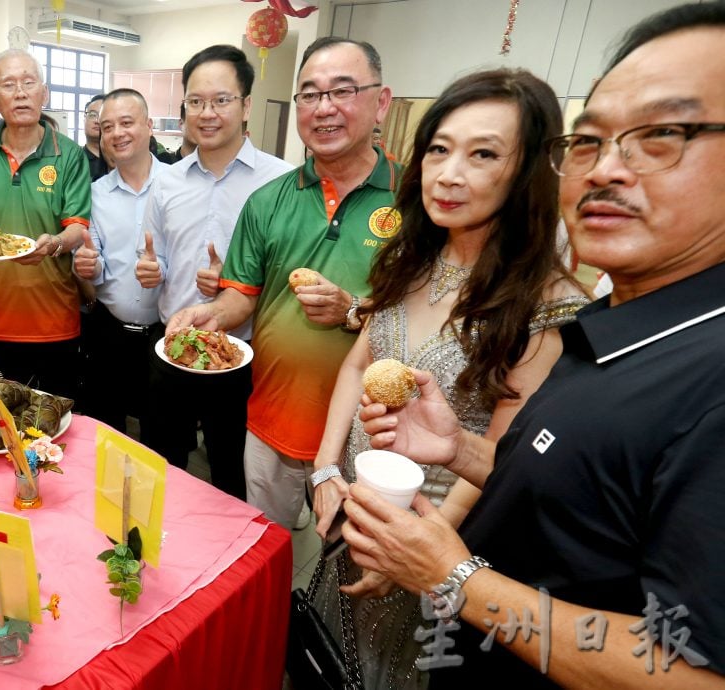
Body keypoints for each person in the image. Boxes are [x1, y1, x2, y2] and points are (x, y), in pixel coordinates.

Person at [347, 4, 725, 686]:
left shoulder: (704, 375)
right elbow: (578, 502)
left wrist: (452, 576)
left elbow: (692, 670)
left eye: (663, 134)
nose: (606, 169)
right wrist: (458, 449)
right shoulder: (618, 323)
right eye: (591, 140)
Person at [305, 68, 589, 689]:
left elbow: (504, 460)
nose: (449, 174)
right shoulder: (410, 258)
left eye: (483, 154)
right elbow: (358, 364)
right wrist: (325, 470)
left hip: (436, 530)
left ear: (527, 171)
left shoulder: (544, 304)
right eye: (439, 149)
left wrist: (413, 548)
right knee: (326, 654)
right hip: (356, 498)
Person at [165, 37, 392, 523]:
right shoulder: (268, 200)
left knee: (356, 553)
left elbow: (435, 313)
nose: (324, 108)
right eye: (309, 94)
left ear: (381, 102)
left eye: (342, 91)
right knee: (268, 543)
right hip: (272, 416)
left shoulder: (416, 200)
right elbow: (240, 295)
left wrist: (353, 310)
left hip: (374, 429)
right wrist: (210, 314)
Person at [137, 45, 292, 500]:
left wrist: (236, 284)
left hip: (242, 355)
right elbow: (159, 255)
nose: (207, 113)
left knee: (232, 475)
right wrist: (153, 269)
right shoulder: (167, 180)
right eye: (196, 101)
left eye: (221, 100)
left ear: (246, 105)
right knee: (162, 469)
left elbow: (288, 278)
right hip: (172, 348)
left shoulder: (281, 182)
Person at [0, 49, 91, 399]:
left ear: (44, 93)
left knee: (55, 421)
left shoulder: (70, 155)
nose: (21, 93)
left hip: (54, 320)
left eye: (29, 82)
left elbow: (77, 229)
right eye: (9, 84)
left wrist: (55, 243)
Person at [73, 88, 167, 433]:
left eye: (126, 123)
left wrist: (163, 270)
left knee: (164, 438)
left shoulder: (178, 186)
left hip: (165, 334)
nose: (117, 133)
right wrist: (88, 266)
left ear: (149, 126)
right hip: (109, 333)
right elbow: (95, 259)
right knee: (106, 432)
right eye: (108, 126)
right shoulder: (96, 193)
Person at [83, 94, 109, 181]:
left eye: (103, 115)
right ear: (84, 119)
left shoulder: (122, 161)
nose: (97, 121)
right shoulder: (74, 160)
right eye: (92, 115)